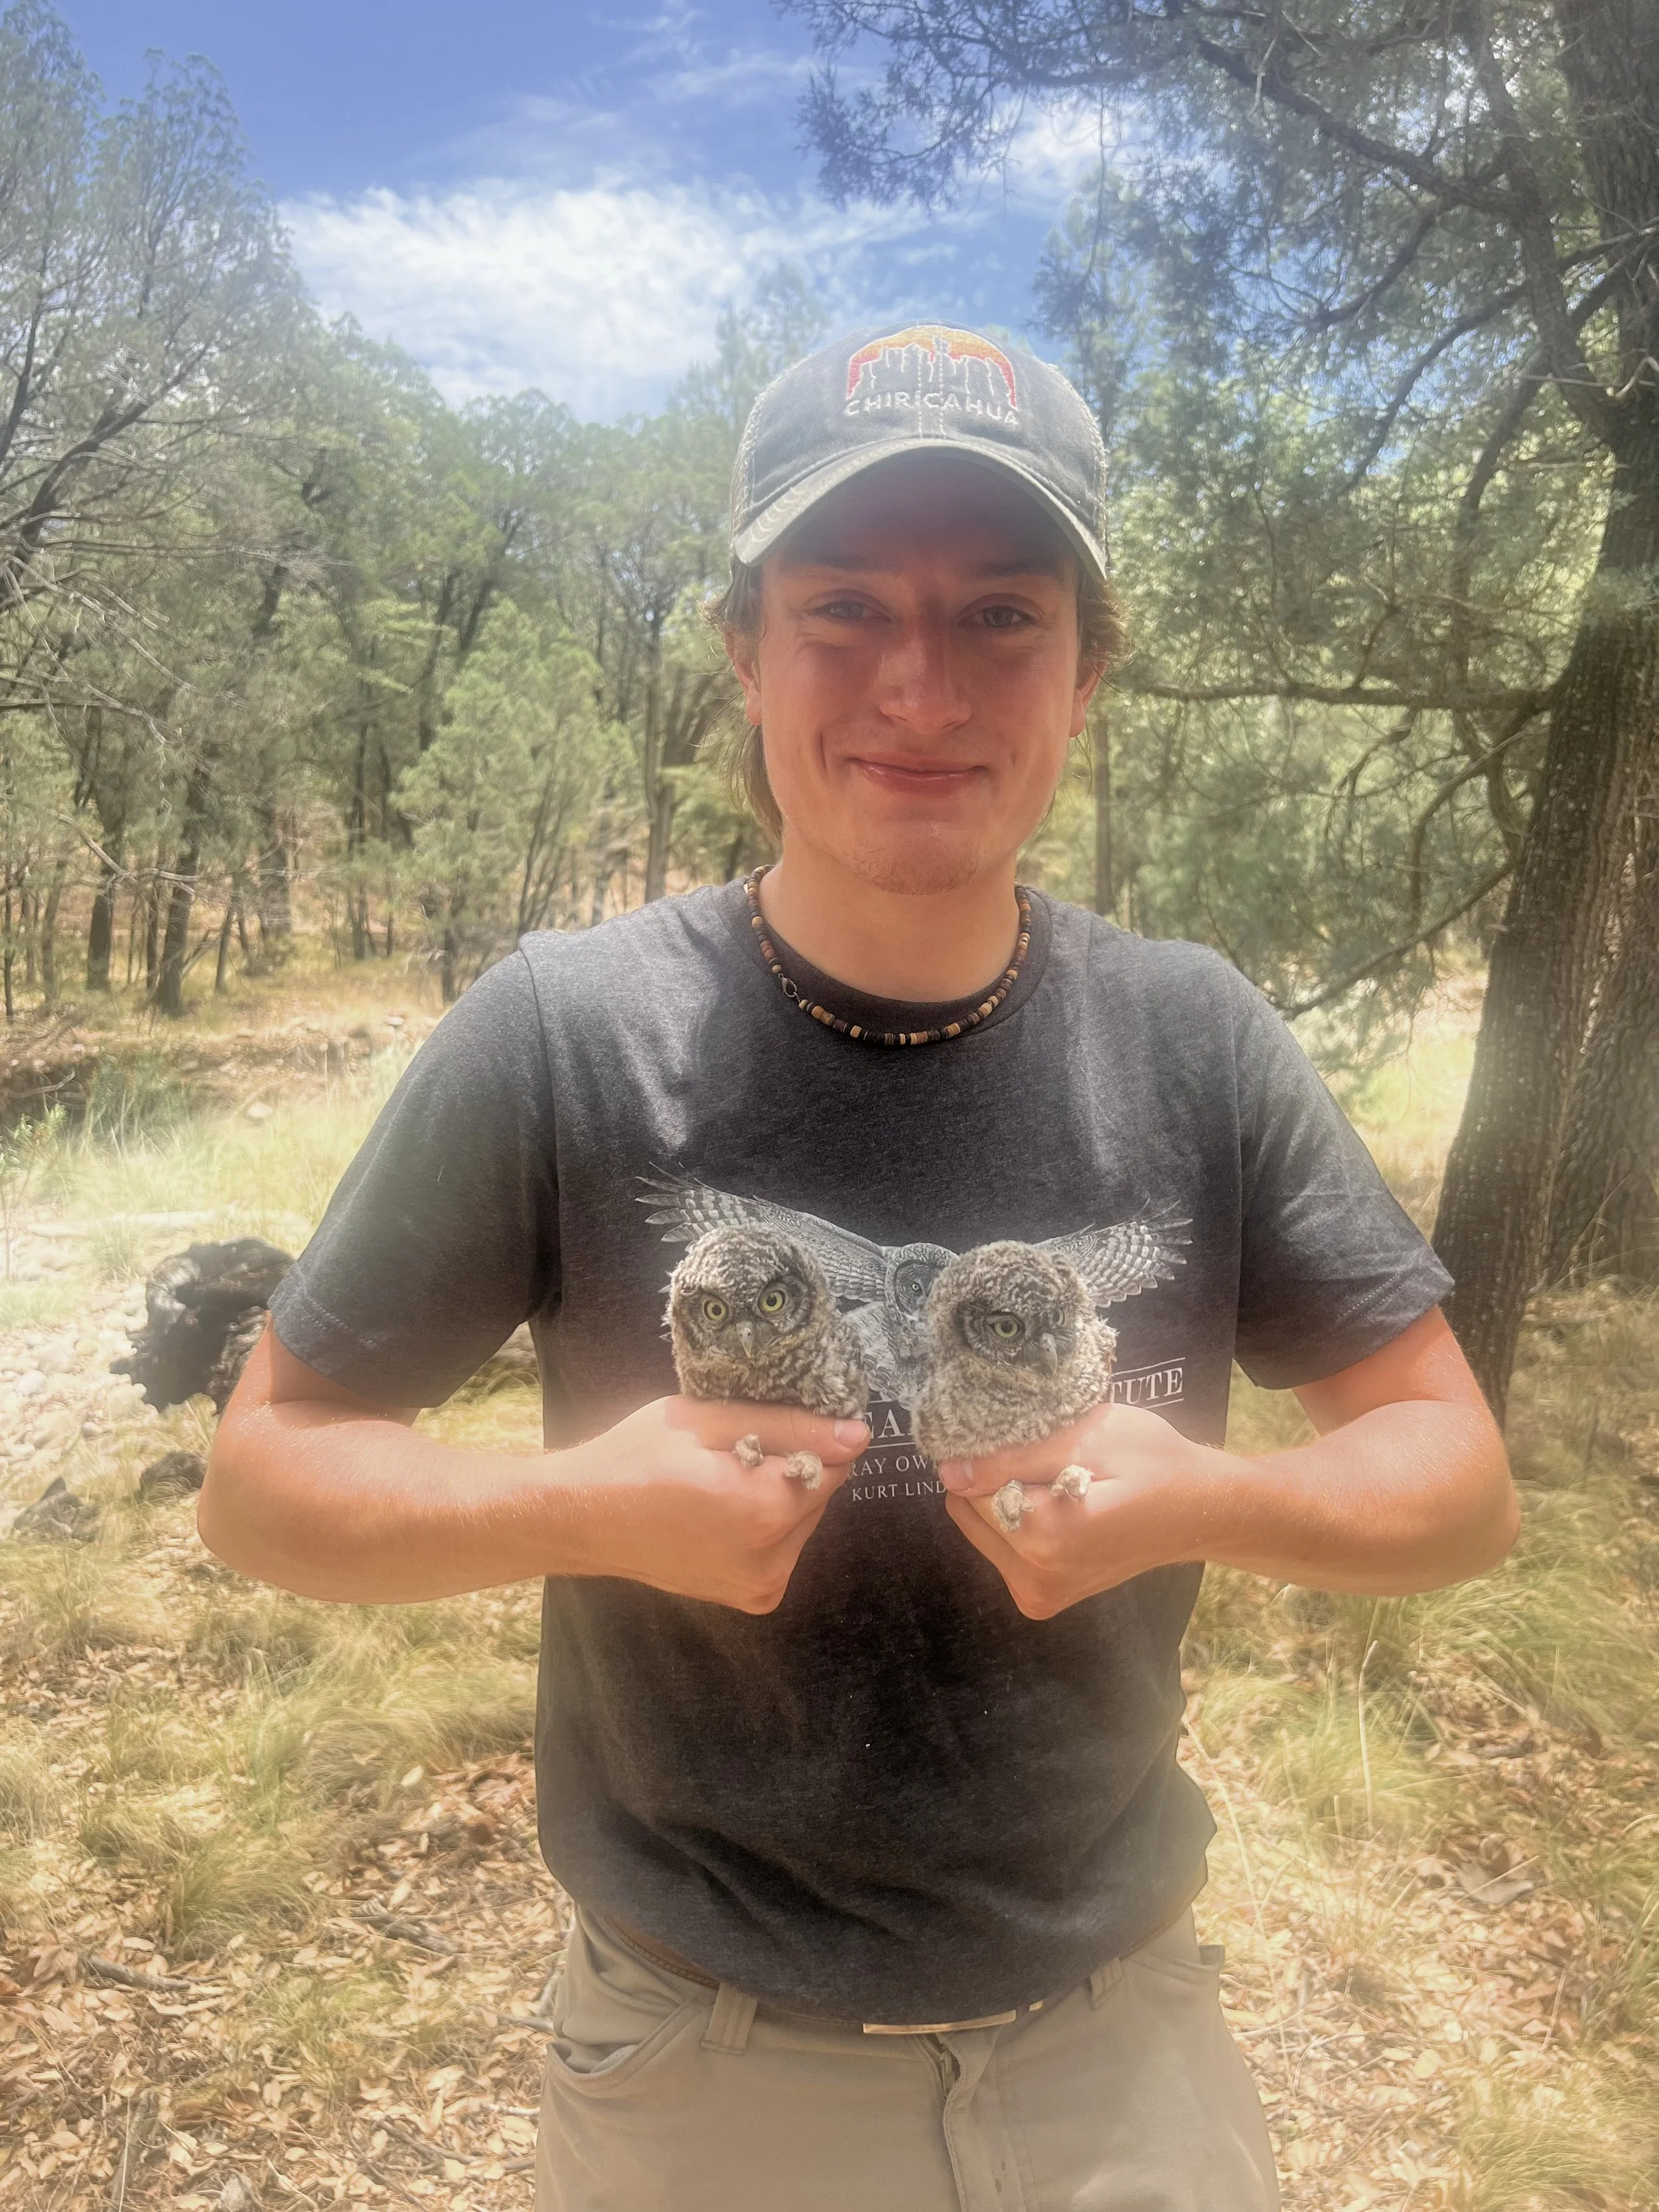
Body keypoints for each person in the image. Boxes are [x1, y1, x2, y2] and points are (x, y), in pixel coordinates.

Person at [201, 321, 1518, 2212]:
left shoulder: (1195, 1039)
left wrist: (1206, 1498)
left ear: (1083, 674)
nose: (921, 682)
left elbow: (1453, 1477)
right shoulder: (566, 1035)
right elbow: (262, 1482)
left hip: (1122, 2052)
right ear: (745, 654)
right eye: (841, 608)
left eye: (999, 614)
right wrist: (580, 1506)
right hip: (700, 2071)